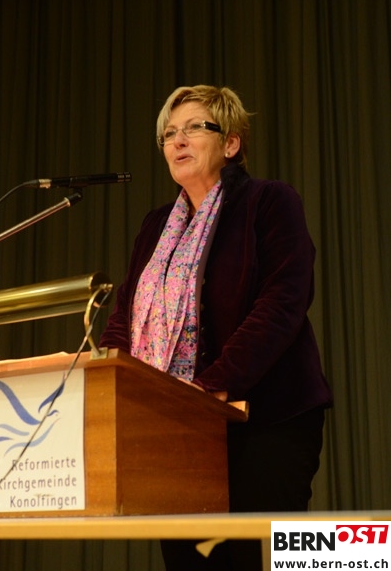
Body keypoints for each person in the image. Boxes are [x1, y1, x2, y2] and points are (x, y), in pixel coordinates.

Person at [99, 85, 333, 570]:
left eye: (194, 128)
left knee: (258, 560)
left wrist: (210, 387)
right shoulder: (155, 226)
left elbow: (282, 302)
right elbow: (126, 313)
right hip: (177, 430)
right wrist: (108, 378)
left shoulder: (268, 202)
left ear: (231, 143)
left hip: (263, 421)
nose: (178, 141)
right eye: (169, 134)